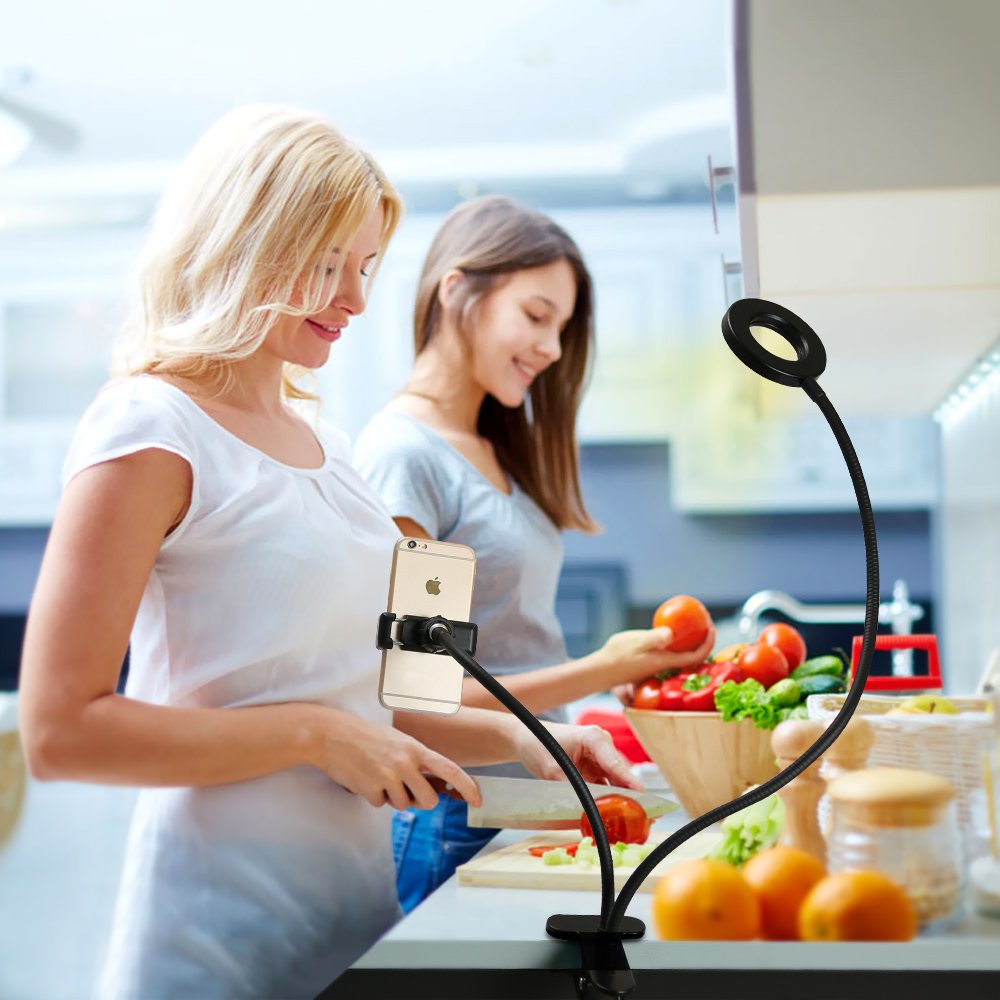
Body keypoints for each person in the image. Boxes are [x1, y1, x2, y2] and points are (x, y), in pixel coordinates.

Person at [16, 107, 641, 1000]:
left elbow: (382, 694)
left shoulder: (331, 449)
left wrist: (522, 736)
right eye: (326, 265)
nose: (354, 299)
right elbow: (59, 732)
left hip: (350, 925)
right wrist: (315, 736)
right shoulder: (149, 427)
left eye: (363, 268)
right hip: (214, 939)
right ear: (245, 242)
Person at [353, 195, 715, 913]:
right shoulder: (409, 458)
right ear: (457, 291)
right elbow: (424, 694)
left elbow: (509, 652)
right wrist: (602, 666)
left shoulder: (491, 448)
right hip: (458, 810)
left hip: (523, 796)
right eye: (536, 315)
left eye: (561, 326)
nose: (551, 348)